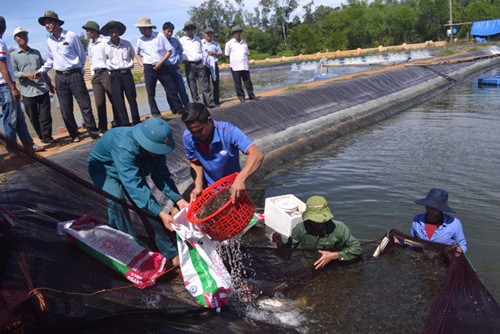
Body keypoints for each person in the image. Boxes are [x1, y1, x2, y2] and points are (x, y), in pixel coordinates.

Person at [88, 117, 189, 263]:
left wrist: (178, 200)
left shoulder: (156, 152)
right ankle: (128, 248)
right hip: (104, 169)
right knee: (117, 201)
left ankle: (171, 253)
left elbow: (162, 177)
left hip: (130, 170)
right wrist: (161, 213)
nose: (158, 153)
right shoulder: (125, 147)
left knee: (151, 209)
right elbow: (134, 185)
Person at [36, 10, 100, 143]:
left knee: (85, 105)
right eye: (45, 24)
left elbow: (81, 55)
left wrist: (79, 70)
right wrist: (41, 71)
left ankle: (93, 131)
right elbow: (50, 59)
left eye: (49, 22)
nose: (47, 25)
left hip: (74, 75)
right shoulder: (49, 40)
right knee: (65, 109)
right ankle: (74, 134)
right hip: (60, 77)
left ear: (57, 22)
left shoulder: (71, 36)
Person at [181, 102, 263, 203]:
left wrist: (240, 178)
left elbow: (256, 155)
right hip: (209, 188)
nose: (196, 135)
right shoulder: (188, 136)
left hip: (232, 186)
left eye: (200, 130)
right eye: (192, 131)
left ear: (209, 120)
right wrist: (198, 184)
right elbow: (195, 162)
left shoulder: (228, 132)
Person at [269, 195, 362, 270]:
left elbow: (357, 248)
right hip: (308, 268)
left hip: (333, 267)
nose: (318, 223)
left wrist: (334, 255)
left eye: (321, 220)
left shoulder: (339, 228)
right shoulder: (300, 229)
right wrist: (279, 242)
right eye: (315, 220)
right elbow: (286, 255)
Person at [0, 17, 43, 154]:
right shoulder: (0, 43)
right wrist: (13, 87)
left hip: (5, 86)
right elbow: (2, 66)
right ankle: (13, 150)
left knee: (18, 117)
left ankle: (28, 144)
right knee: (11, 119)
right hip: (5, 86)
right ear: (4, 28)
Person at [11, 27, 56, 144]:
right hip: (27, 91)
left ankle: (47, 137)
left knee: (45, 115)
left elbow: (43, 69)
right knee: (33, 116)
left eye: (24, 35)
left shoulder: (36, 52)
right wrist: (27, 75)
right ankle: (41, 136)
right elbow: (14, 72)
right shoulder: (13, 56)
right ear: (15, 39)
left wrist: (50, 84)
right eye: (19, 36)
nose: (23, 38)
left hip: (42, 88)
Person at [134, 17, 184, 116]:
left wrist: (161, 62)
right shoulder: (140, 40)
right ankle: (155, 113)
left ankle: (180, 109)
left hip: (162, 65)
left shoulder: (160, 36)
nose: (140, 30)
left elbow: (169, 50)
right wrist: (142, 64)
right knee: (150, 92)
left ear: (147, 28)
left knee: (172, 88)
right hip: (149, 67)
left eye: (141, 28)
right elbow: (137, 53)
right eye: (139, 28)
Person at [101, 20, 140, 126]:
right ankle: (125, 123)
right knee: (119, 100)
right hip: (114, 75)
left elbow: (132, 55)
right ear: (108, 33)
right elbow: (105, 60)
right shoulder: (105, 46)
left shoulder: (127, 44)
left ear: (119, 32)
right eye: (111, 31)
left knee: (132, 98)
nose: (114, 33)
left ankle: (136, 121)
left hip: (127, 73)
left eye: (116, 31)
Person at [82, 20, 119, 133]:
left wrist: (109, 70)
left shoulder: (104, 43)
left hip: (106, 72)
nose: (86, 33)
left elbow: (109, 57)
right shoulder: (90, 45)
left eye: (88, 30)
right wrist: (93, 74)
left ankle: (118, 122)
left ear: (94, 31)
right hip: (96, 75)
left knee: (113, 98)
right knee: (99, 102)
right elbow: (92, 61)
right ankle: (103, 127)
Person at [410, 188, 467, 253]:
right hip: (421, 256)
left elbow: (463, 245)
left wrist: (459, 250)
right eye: (428, 206)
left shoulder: (454, 224)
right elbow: (412, 240)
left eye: (435, 208)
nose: (430, 209)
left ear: (441, 208)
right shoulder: (417, 219)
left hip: (443, 257)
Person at [179, 21, 216, 108]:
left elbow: (202, 51)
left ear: (194, 30)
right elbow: (178, 51)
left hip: (200, 64)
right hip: (189, 64)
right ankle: (199, 105)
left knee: (205, 84)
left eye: (191, 28)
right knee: (193, 86)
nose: (190, 30)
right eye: (188, 29)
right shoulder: (181, 40)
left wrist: (203, 62)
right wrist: (182, 60)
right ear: (186, 30)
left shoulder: (198, 39)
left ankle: (210, 103)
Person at [224, 25, 258, 103]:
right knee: (237, 83)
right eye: (235, 33)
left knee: (248, 81)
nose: (237, 34)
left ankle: (251, 95)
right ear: (233, 34)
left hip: (244, 65)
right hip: (235, 66)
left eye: (239, 32)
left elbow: (247, 53)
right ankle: (241, 97)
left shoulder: (244, 42)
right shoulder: (229, 43)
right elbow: (227, 55)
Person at [162, 22, 190, 107]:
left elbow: (180, 51)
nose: (170, 33)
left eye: (171, 31)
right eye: (168, 31)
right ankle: (175, 108)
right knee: (170, 90)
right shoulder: (160, 42)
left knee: (181, 88)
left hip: (175, 68)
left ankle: (187, 106)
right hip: (165, 69)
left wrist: (180, 60)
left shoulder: (175, 41)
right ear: (163, 30)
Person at [202, 27, 222, 106]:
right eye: (207, 33)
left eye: (210, 33)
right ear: (205, 34)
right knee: (205, 84)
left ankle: (216, 101)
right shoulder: (200, 43)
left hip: (214, 64)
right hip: (204, 65)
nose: (209, 35)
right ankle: (206, 102)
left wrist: (214, 53)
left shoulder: (215, 44)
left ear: (212, 34)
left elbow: (220, 54)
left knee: (216, 83)